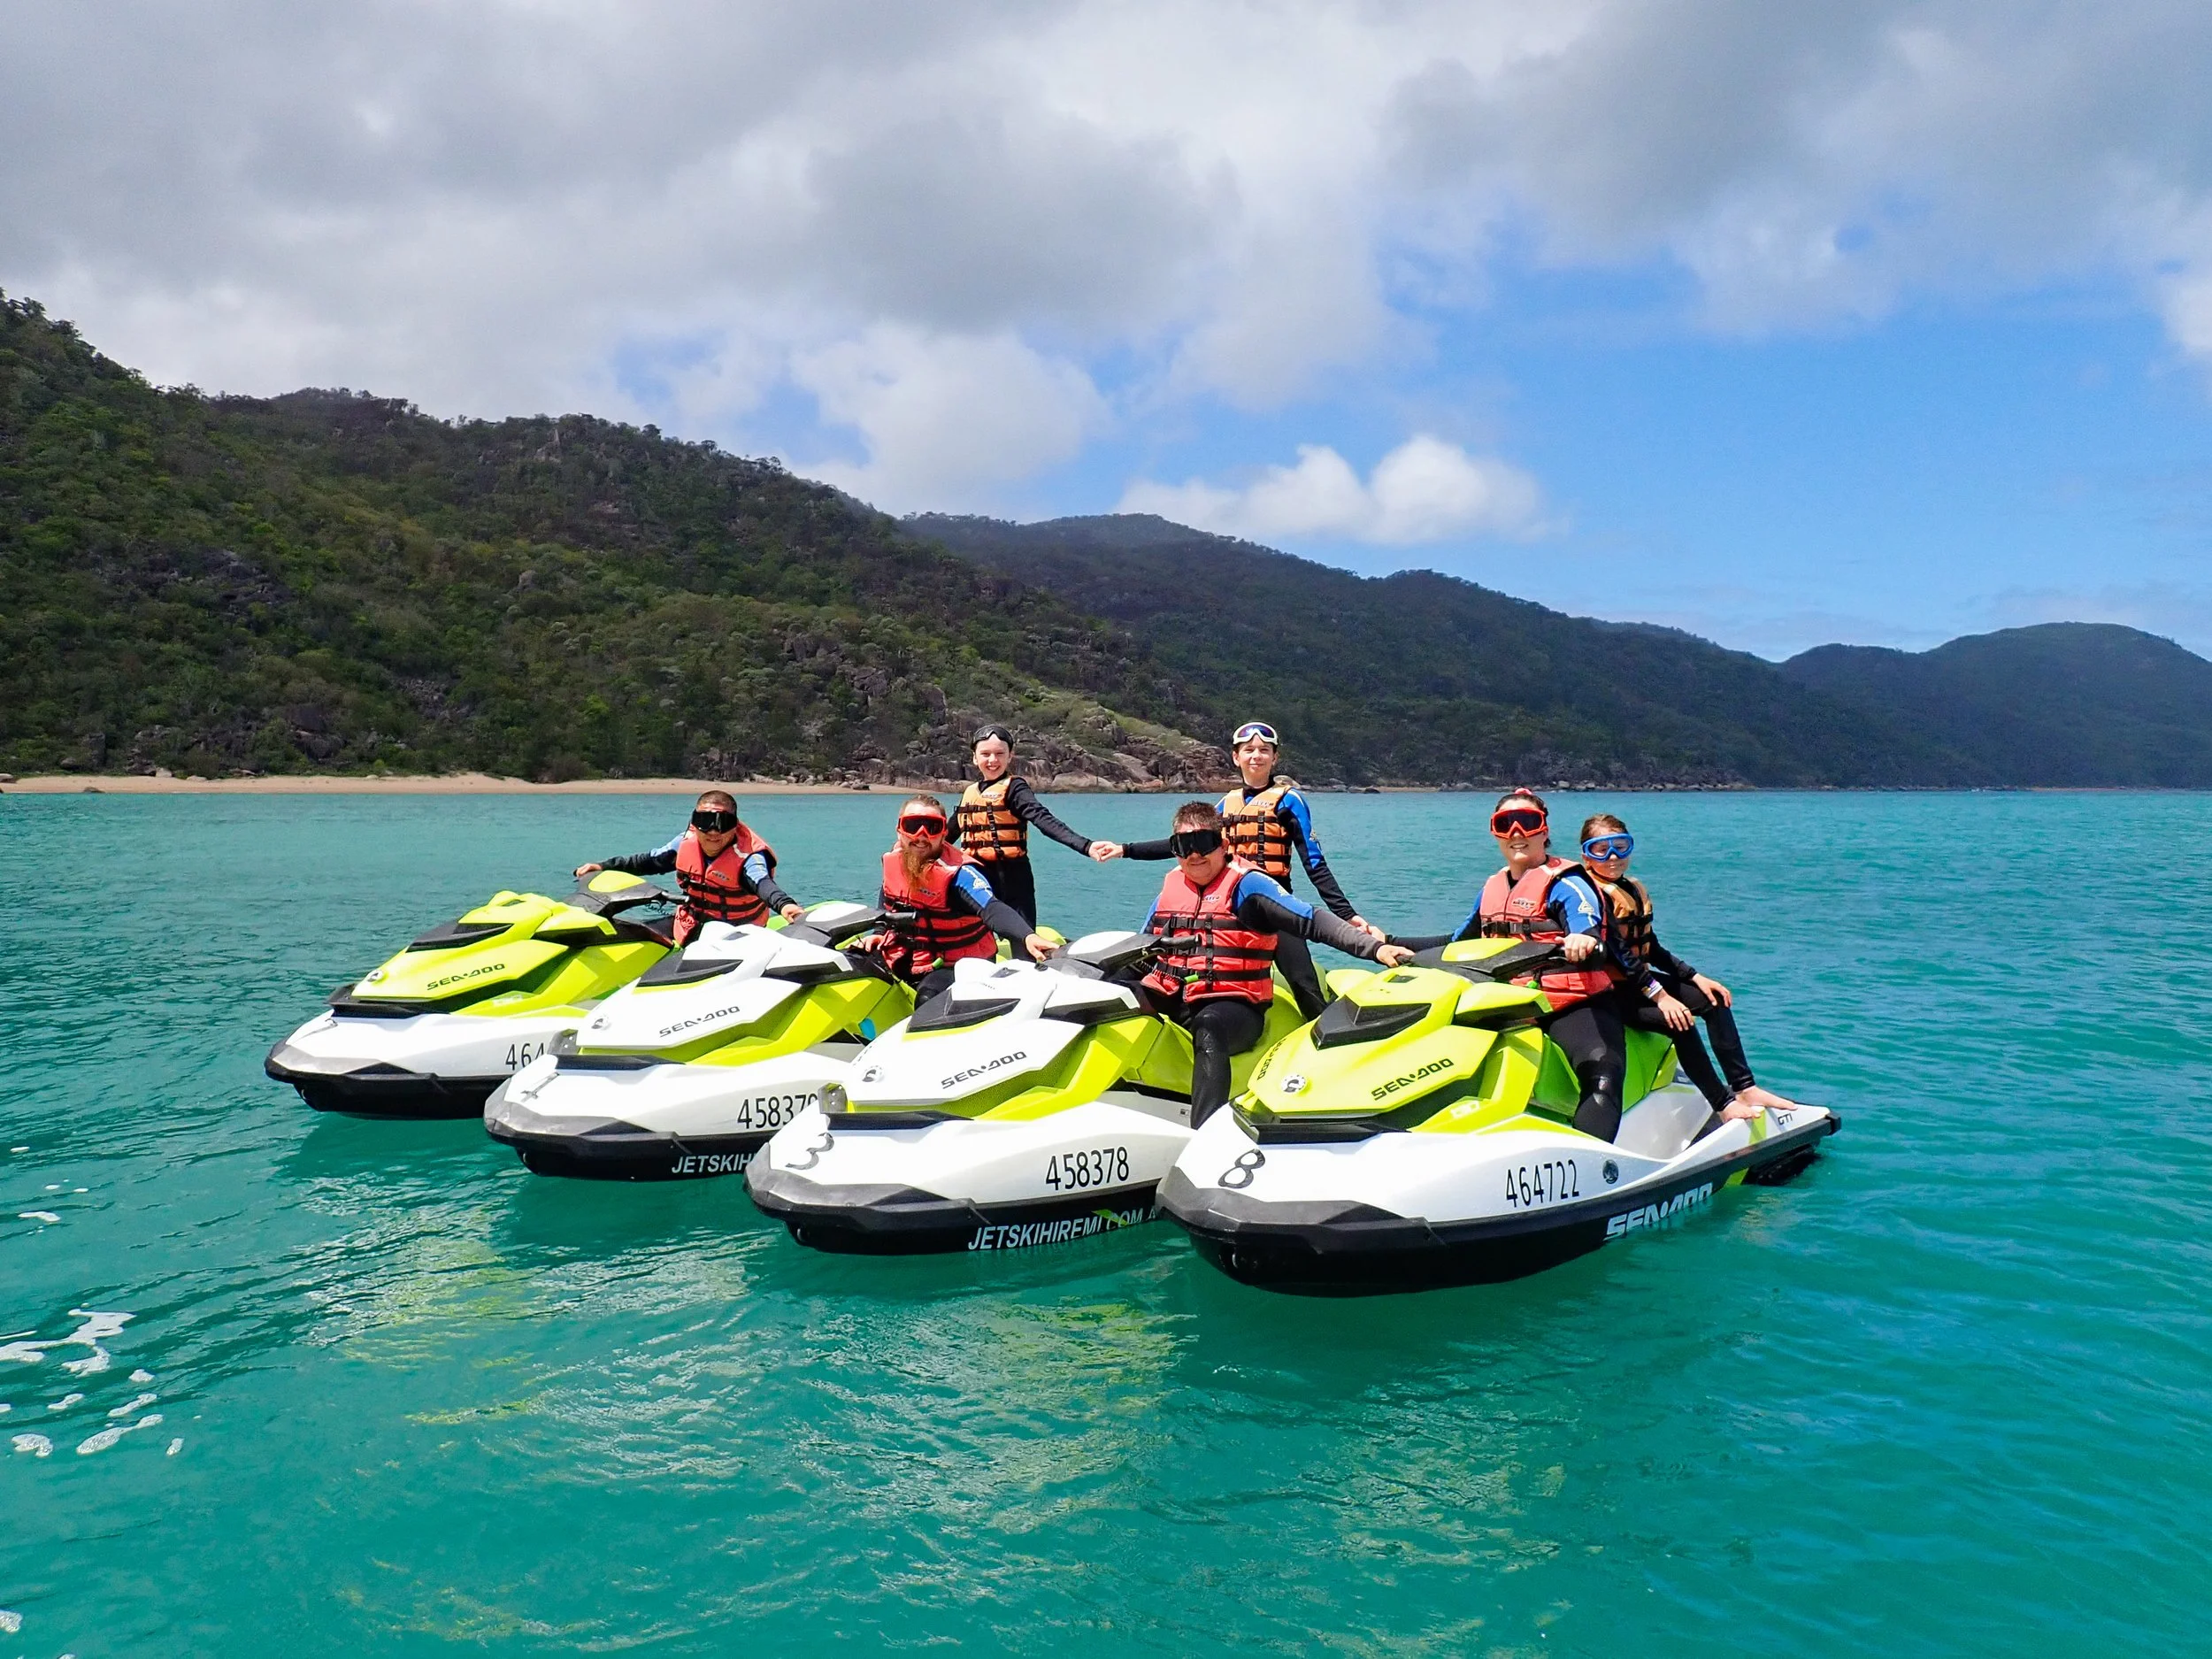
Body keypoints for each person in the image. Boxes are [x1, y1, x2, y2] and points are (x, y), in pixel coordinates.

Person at [1134, 801, 1412, 1125]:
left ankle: (1204, 1132)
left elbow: (1312, 920)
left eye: (1203, 844)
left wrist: (1375, 949)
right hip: (1174, 995)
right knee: (1110, 999)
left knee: (1209, 1025)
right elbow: (1141, 944)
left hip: (1234, 1005)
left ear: (1223, 845)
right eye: (1183, 846)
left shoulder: (1248, 884)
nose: (1194, 855)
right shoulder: (1172, 885)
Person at [1391, 789, 1631, 1141]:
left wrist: (1584, 940)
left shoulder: (1568, 884)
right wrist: (1391, 943)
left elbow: (1587, 926)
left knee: (1601, 1072)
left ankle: (1596, 1164)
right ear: (1496, 834)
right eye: (1506, 824)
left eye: (1528, 822)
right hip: (1505, 1005)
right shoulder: (1492, 887)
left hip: (1569, 1005)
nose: (1517, 831)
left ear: (1544, 831)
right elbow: (1457, 942)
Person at [1107, 720, 1380, 1018]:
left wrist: (1347, 915)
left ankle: (1322, 1041)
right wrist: (1126, 849)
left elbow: (1315, 864)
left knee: (1303, 982)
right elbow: (1186, 844)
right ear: (1236, 757)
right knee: (1169, 964)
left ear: (1275, 758)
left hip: (1274, 906)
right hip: (1229, 904)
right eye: (1248, 750)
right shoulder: (1227, 804)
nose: (1256, 756)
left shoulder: (1289, 801)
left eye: (1264, 750)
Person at [1574, 814, 1796, 1125]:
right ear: (1586, 855)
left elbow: (1649, 947)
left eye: (1620, 847)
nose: (1612, 857)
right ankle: (1721, 1103)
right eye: (1601, 849)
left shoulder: (1632, 889)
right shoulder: (1589, 897)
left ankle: (1745, 1087)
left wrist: (1694, 976)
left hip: (1640, 984)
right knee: (1680, 1021)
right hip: (1611, 993)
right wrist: (1661, 996)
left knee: (1715, 1000)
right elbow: (1622, 956)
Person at [870, 794, 1054, 1002]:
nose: (921, 836)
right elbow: (888, 899)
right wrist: (879, 932)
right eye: (912, 826)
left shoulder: (958, 874)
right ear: (899, 829)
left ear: (944, 833)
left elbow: (991, 908)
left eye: (932, 827)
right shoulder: (895, 861)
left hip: (955, 964)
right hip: (905, 956)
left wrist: (1026, 936)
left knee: (928, 998)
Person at [575, 789, 806, 946]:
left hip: (738, 936)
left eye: (722, 823)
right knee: (623, 938)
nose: (714, 832)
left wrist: (786, 907)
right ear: (695, 824)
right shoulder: (685, 843)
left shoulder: (749, 856)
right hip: (689, 925)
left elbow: (764, 885)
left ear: (735, 826)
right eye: (705, 823)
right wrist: (603, 866)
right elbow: (650, 860)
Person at [949, 725, 1116, 926]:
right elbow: (947, 833)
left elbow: (1043, 819)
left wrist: (1086, 846)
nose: (993, 760)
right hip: (977, 875)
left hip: (1012, 878)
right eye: (985, 754)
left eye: (1000, 754)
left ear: (1010, 756)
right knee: (976, 939)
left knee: (1022, 940)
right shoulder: (970, 793)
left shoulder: (1015, 789)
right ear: (975, 757)